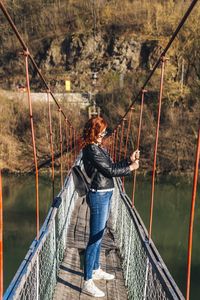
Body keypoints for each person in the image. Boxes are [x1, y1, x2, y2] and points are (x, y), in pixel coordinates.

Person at [81, 116, 140, 298]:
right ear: (94, 133)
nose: (104, 135)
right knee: (95, 237)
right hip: (98, 195)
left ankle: (96, 269)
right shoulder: (91, 150)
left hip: (105, 193)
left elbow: (111, 166)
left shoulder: (98, 148)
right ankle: (87, 281)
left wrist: (128, 161)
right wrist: (131, 169)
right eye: (102, 132)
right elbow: (109, 172)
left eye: (105, 132)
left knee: (100, 234)